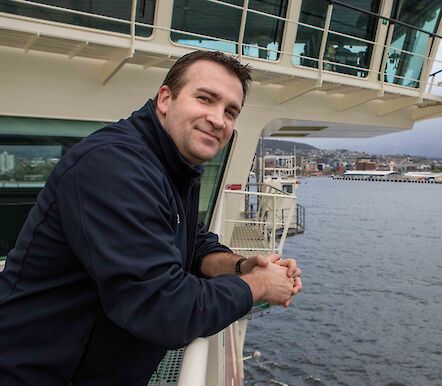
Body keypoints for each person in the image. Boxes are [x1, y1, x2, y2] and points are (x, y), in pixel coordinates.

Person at [0, 50, 302, 385]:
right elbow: (163, 308)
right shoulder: (114, 166)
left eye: (230, 111)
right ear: (165, 99)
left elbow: (193, 240)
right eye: (205, 99)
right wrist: (258, 286)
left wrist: (242, 266)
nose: (218, 119)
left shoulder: (173, 164)